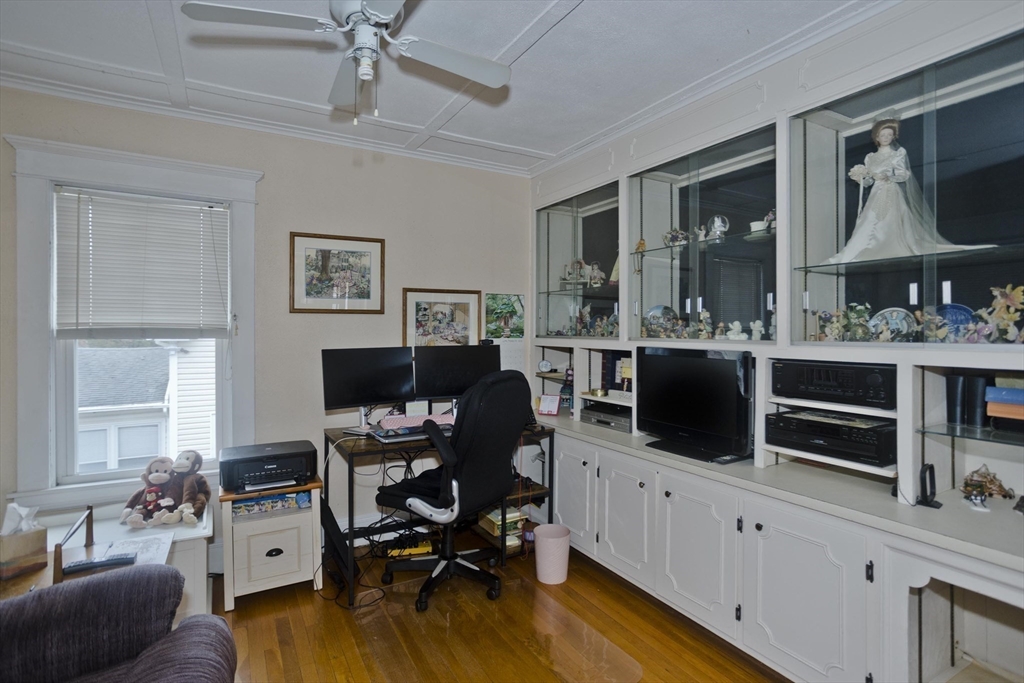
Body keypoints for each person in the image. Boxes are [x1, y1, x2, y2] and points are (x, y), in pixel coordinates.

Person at [823, 118, 991, 264]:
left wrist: (888, 176)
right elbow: (869, 181)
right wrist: (861, 178)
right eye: (883, 135)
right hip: (875, 193)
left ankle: (887, 247)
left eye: (889, 135)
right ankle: (860, 250)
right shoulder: (870, 157)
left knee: (890, 220)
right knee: (868, 220)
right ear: (877, 137)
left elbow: (903, 174)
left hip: (889, 190)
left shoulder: (897, 154)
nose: (886, 138)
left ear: (893, 136)